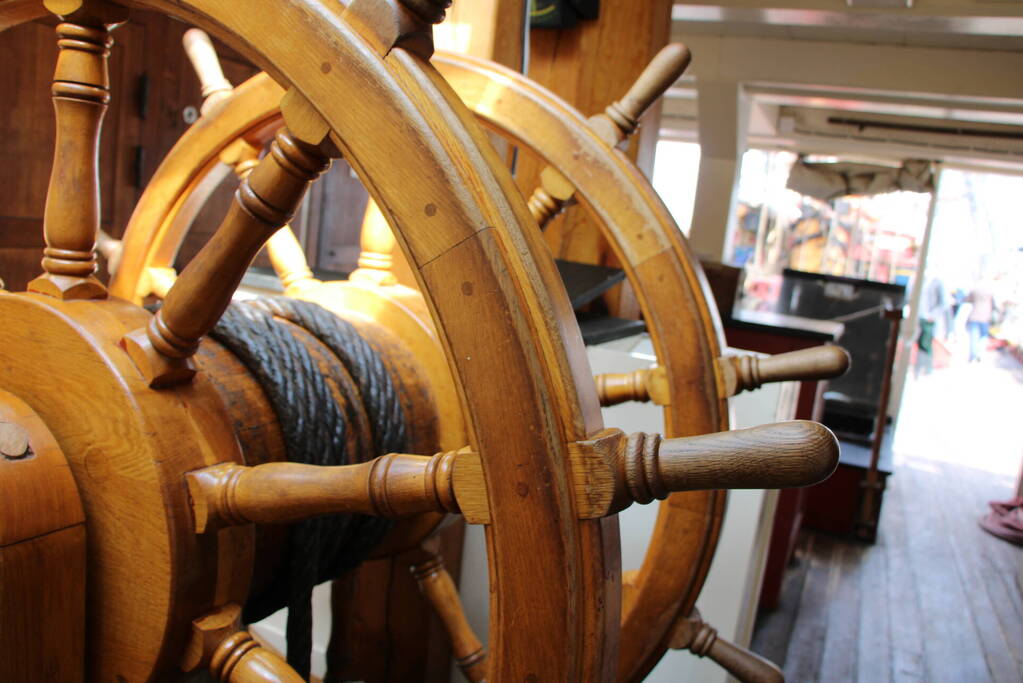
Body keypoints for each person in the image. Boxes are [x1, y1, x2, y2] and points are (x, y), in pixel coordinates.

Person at [966, 278, 994, 362]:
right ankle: (979, 354)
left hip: (974, 316)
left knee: (974, 336)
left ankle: (973, 355)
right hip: (985, 317)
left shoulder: (974, 291)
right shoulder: (989, 292)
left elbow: (968, 299)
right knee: (983, 336)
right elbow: (994, 304)